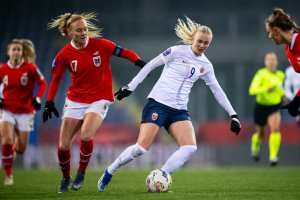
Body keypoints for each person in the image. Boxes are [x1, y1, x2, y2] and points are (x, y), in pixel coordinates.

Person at [97, 16, 241, 192]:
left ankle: (161, 175)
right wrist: (131, 86)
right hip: (158, 104)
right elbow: (150, 65)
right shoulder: (176, 51)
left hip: (179, 110)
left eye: (206, 43)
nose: (202, 45)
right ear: (193, 39)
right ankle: (110, 170)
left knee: (190, 147)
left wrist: (233, 114)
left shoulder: (206, 65)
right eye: (199, 41)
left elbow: (217, 90)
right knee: (141, 148)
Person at [44, 12, 146, 193]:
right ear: (69, 33)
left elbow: (124, 52)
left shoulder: (101, 45)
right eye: (79, 30)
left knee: (85, 135)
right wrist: (49, 102)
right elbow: (57, 79)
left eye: (85, 29)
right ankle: (65, 178)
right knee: (63, 145)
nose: (84, 33)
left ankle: (81, 174)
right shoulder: (64, 55)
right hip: (75, 99)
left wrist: (137, 60)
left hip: (100, 98)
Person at [0, 39, 47, 185]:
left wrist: (38, 98)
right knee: (6, 140)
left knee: (20, 149)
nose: (16, 52)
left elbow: (43, 84)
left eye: (18, 49)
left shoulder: (30, 68)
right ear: (8, 52)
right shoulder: (2, 70)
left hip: (26, 111)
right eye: (13, 49)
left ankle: (13, 150)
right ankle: (8, 175)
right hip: (7, 109)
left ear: (22, 52)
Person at [249, 52, 285, 166]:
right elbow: (252, 90)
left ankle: (273, 156)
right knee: (260, 134)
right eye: (269, 59)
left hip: (274, 107)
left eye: (273, 59)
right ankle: (255, 147)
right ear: (265, 62)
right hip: (261, 107)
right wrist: (265, 89)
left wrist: (285, 96)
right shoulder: (261, 74)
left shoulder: (281, 75)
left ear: (277, 62)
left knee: (275, 129)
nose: (271, 62)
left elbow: (282, 89)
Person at [265, 8, 300, 117]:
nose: (269, 36)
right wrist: (297, 100)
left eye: (269, 32)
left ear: (276, 31)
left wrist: (298, 99)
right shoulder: (288, 51)